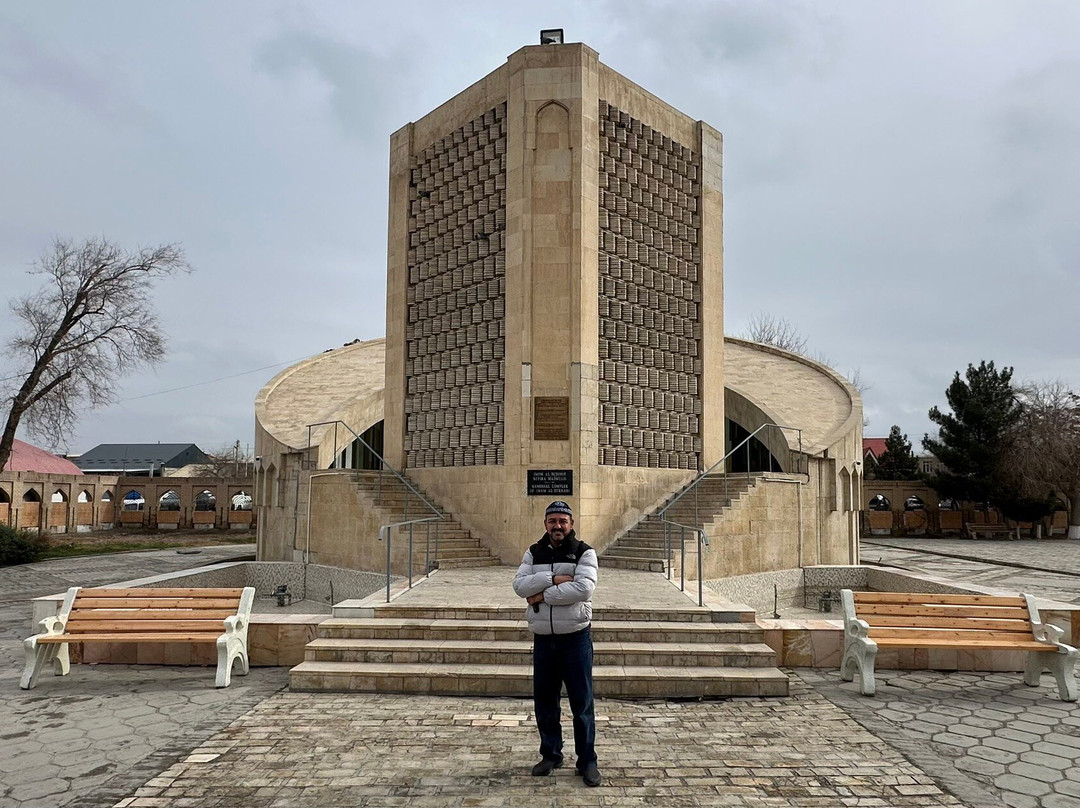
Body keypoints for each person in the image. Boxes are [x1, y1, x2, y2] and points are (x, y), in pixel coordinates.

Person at [512, 500, 601, 787]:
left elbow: (584, 588)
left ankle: (587, 760)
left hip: (575, 640)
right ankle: (551, 753)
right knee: (545, 702)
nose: (558, 526)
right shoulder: (533, 552)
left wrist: (541, 595)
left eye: (563, 520)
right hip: (544, 640)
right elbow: (519, 586)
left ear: (571, 524)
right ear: (545, 524)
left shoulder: (584, 552)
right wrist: (553, 578)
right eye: (553, 521)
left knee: (581, 704)